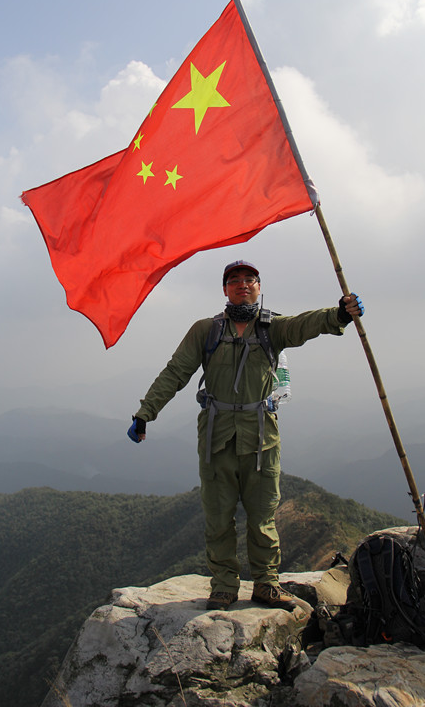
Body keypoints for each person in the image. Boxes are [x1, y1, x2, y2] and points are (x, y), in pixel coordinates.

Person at [129, 260, 364, 612]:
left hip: (261, 439)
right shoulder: (206, 331)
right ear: (225, 289)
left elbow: (305, 324)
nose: (243, 284)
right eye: (235, 280)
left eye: (250, 279)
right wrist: (145, 412)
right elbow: (175, 372)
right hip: (217, 437)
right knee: (218, 516)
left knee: (262, 515)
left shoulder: (272, 328)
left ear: (259, 287)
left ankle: (266, 584)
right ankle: (223, 586)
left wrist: (340, 315)